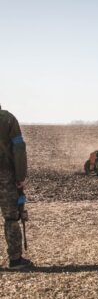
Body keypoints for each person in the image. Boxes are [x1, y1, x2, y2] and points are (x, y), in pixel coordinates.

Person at [0, 105, 33, 269]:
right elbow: (19, 148)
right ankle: (15, 260)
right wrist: (20, 177)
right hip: (5, 176)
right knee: (11, 218)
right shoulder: (8, 119)